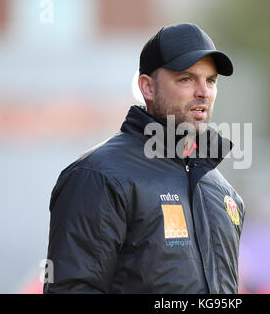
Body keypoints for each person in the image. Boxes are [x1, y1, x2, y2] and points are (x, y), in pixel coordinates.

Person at [44, 23, 246, 294]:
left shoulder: (223, 193)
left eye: (210, 80)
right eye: (186, 78)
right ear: (147, 88)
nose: (203, 92)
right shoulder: (98, 176)